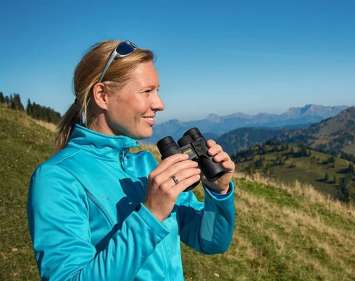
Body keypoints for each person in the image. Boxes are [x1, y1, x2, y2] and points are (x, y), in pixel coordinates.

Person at [27, 40, 236, 281]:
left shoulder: (146, 165)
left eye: (157, 91)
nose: (159, 104)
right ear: (103, 95)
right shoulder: (56, 178)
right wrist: (151, 214)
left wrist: (218, 193)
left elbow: (209, 240)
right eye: (147, 91)